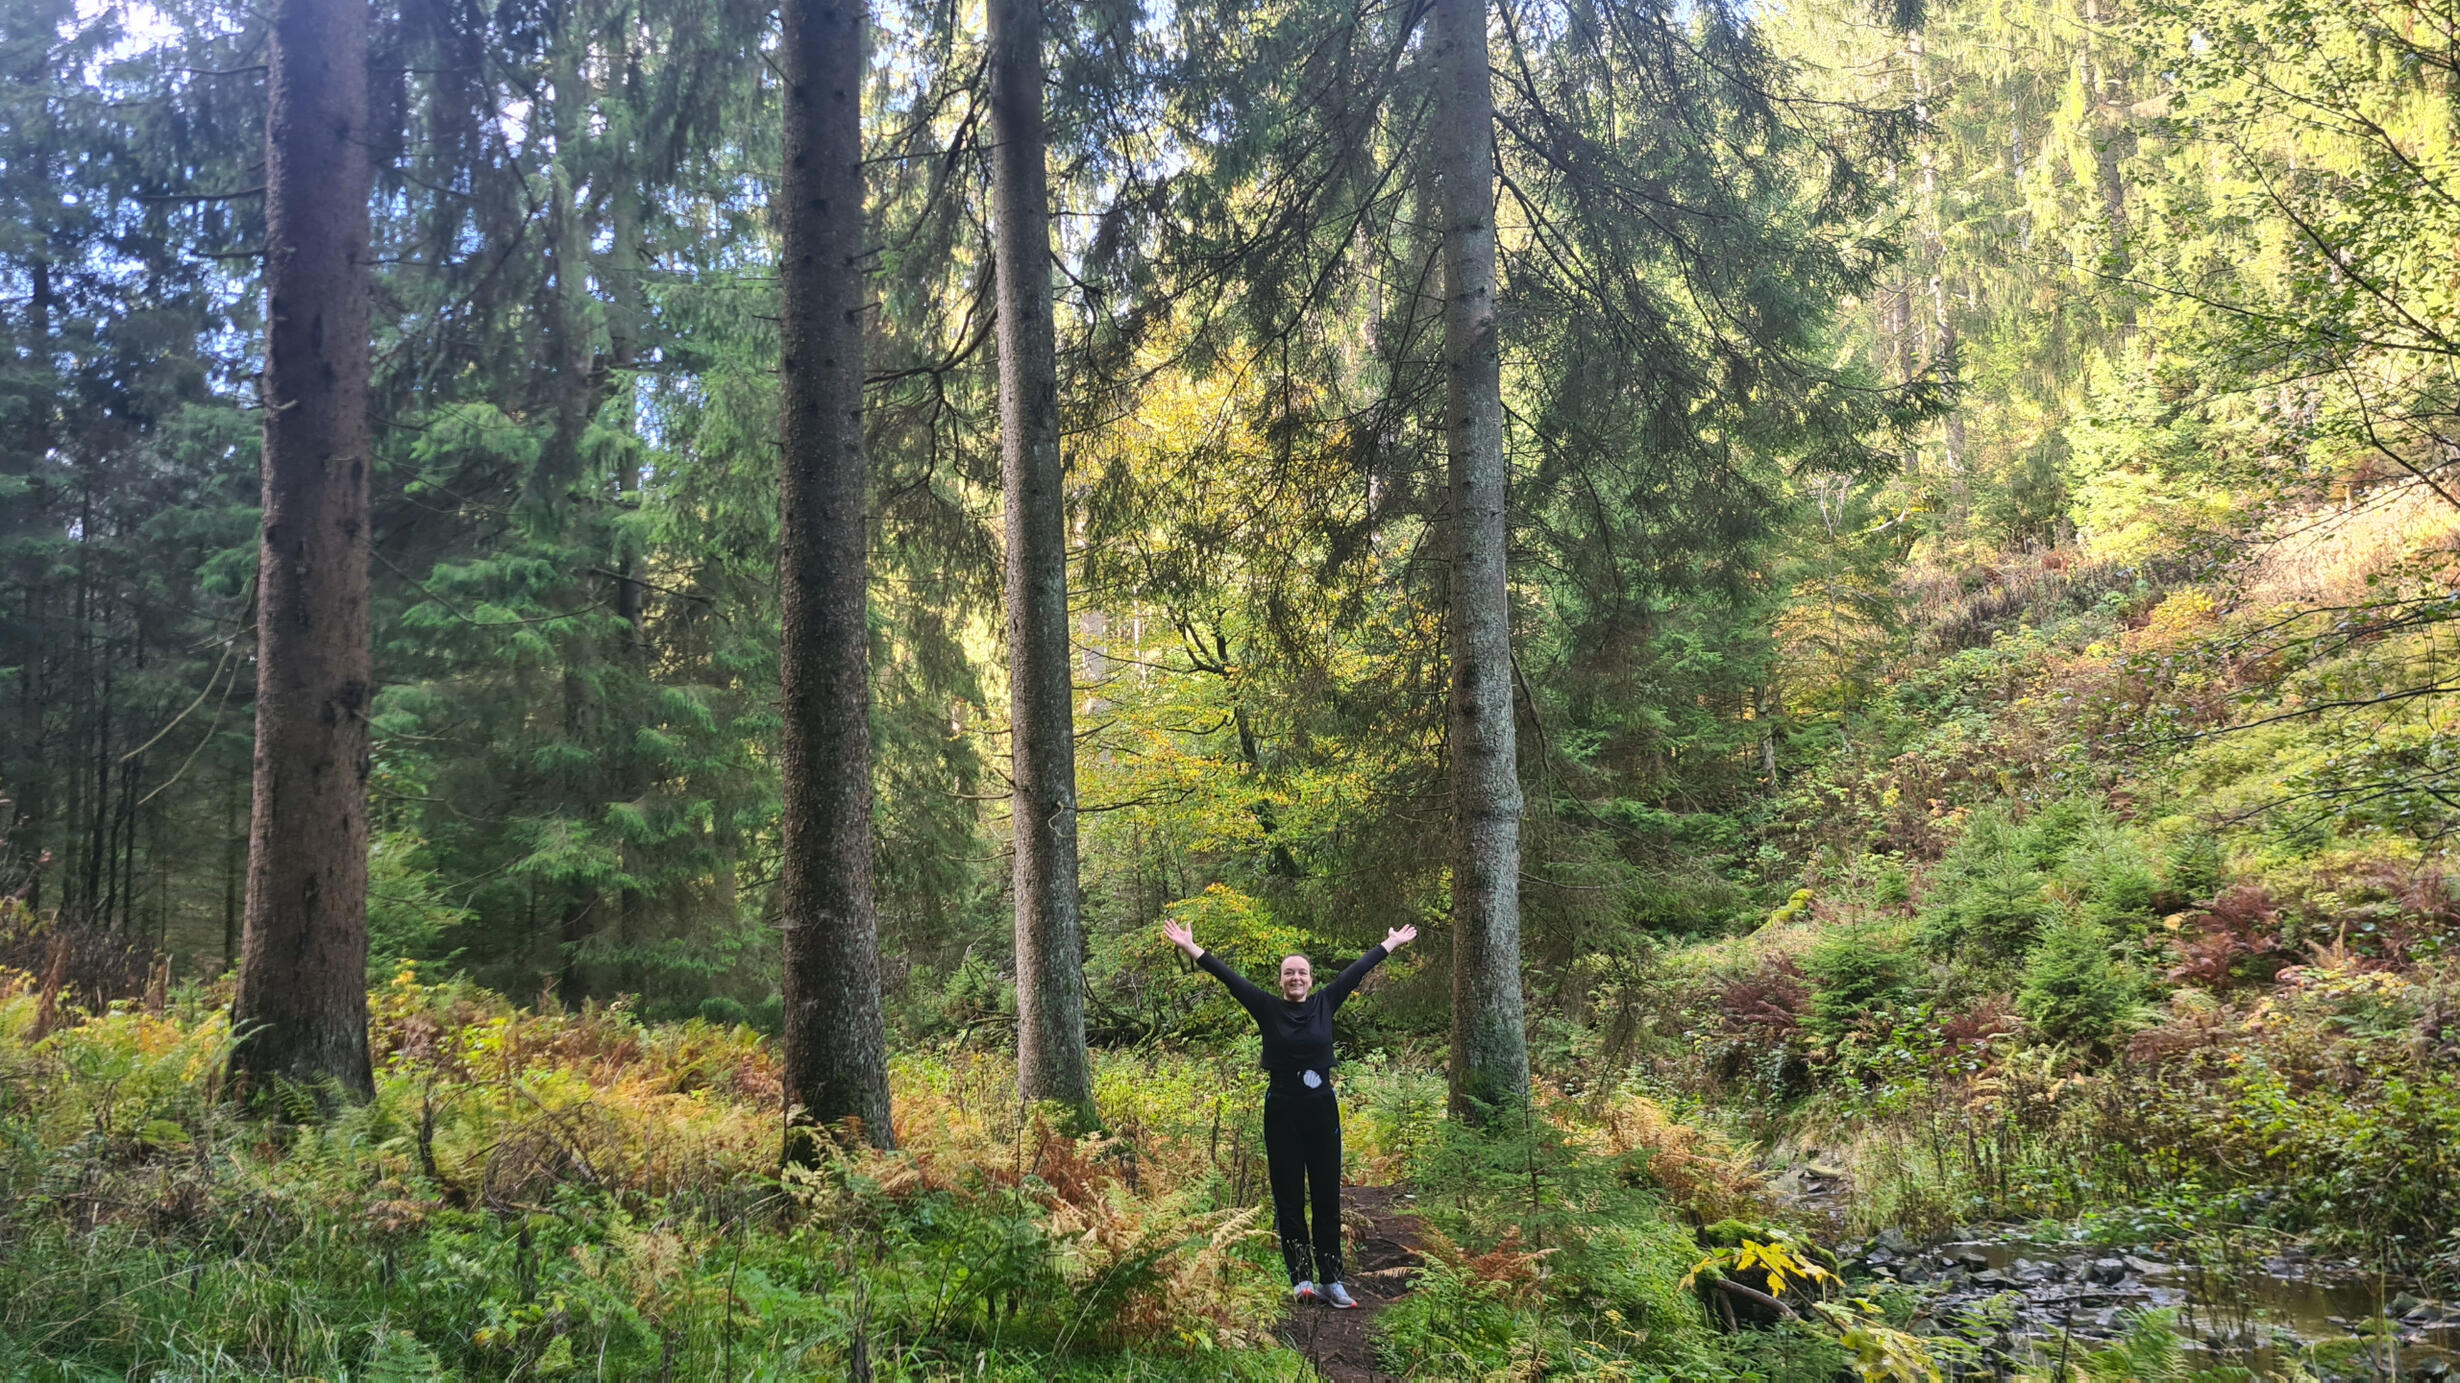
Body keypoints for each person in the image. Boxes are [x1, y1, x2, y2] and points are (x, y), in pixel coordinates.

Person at [1162, 915, 1418, 1309]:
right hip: (1282, 1111)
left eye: (1301, 973)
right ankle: (1302, 1279)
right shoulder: (1267, 1008)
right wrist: (1191, 947)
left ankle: (1332, 1280)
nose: (1295, 978)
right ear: (1281, 981)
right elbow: (1230, 979)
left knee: (1327, 1195)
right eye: (1288, 973)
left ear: (1311, 980)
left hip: (1322, 1111)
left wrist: (1391, 943)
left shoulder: (1325, 1003)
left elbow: (1356, 971)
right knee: (1289, 1197)